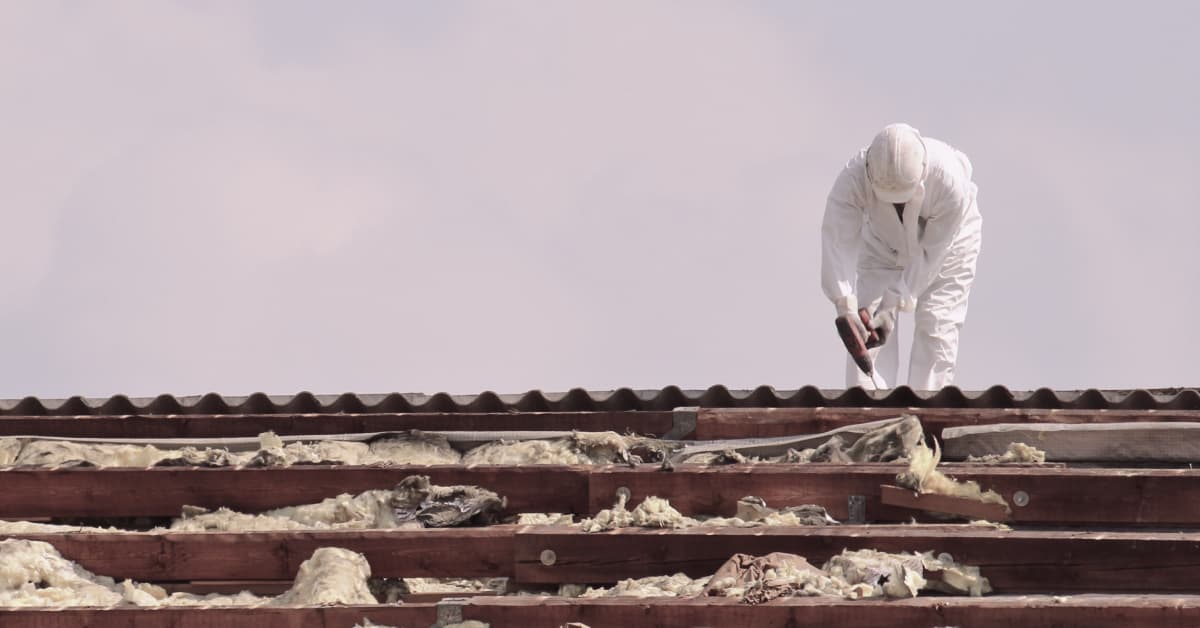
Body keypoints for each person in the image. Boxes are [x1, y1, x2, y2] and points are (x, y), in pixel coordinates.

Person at [820, 123, 982, 390]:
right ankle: (866, 409)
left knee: (936, 323)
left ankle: (928, 409)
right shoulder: (853, 177)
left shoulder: (949, 181)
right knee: (866, 321)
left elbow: (931, 254)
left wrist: (894, 302)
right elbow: (836, 238)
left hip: (951, 246)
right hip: (881, 244)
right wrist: (844, 306)